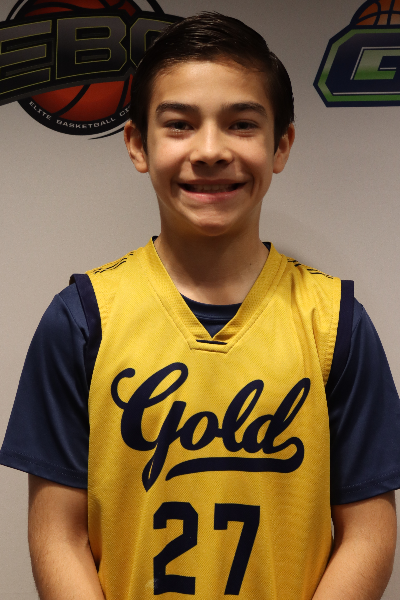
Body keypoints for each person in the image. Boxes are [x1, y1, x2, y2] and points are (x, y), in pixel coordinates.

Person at [1, 11, 400, 600]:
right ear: (137, 144)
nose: (210, 150)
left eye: (241, 124)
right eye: (180, 125)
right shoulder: (81, 319)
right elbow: (58, 535)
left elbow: (369, 533)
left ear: (280, 146)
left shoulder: (335, 321)